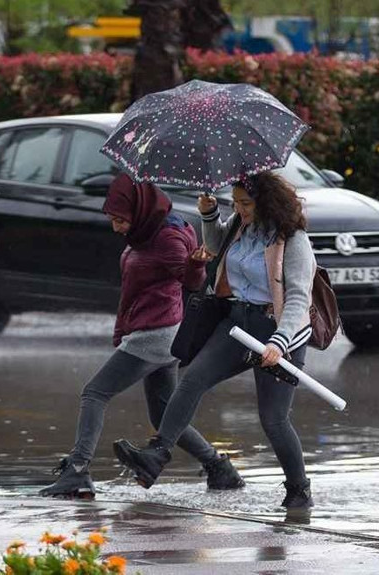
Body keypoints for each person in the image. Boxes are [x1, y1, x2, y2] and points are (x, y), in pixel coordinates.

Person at [112, 171, 317, 509]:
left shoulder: (292, 240)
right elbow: (213, 247)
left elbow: (297, 298)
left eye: (246, 203)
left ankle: (298, 489)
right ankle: (156, 455)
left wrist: (280, 342)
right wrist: (210, 214)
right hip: (237, 322)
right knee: (192, 379)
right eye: (235, 203)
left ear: (267, 203)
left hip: (278, 331)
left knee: (274, 419)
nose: (239, 209)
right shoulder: (240, 224)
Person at [39, 173, 244, 499]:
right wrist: (122, 329)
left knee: (95, 393)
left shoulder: (167, 238)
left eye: (121, 220)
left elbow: (191, 280)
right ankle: (219, 468)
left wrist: (194, 265)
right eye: (112, 219)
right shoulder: (144, 232)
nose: (116, 227)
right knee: (163, 415)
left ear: (140, 211)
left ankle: (77, 470)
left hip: (156, 333)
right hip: (158, 331)